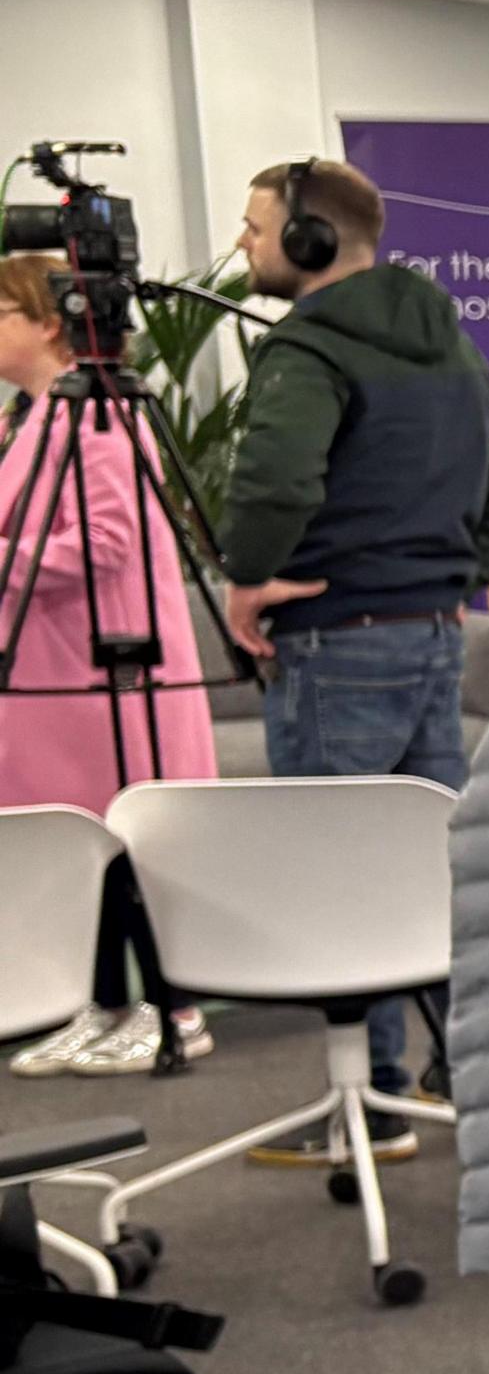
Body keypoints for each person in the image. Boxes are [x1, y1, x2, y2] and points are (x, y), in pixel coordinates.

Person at [216, 157, 489, 1161]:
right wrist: (451, 574)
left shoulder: (307, 349)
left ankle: (372, 1103)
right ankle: (479, 1082)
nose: (243, 244)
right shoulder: (446, 342)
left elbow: (274, 478)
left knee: (340, 880)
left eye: (257, 226)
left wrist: (248, 579)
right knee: (430, 868)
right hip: (430, 638)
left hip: (332, 641)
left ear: (310, 242)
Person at [0, 253, 216, 1078]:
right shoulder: (35, 414)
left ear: (49, 323)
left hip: (108, 668)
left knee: (128, 848)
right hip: (54, 669)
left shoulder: (95, 416)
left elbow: (103, 544)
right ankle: (99, 1003)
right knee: (76, 846)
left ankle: (175, 1010)